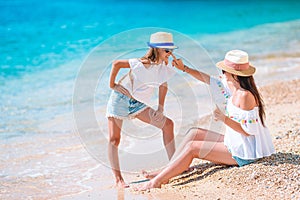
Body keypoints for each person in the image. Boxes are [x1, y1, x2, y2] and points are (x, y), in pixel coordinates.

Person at [136, 49, 275, 190]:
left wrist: (223, 118)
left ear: (234, 74)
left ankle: (156, 182)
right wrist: (184, 68)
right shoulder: (233, 86)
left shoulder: (245, 96)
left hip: (244, 153)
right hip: (236, 142)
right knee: (194, 133)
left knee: (193, 148)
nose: (222, 74)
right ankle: (168, 169)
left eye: (224, 71)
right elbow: (208, 79)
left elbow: (249, 131)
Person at [106, 32, 178, 188]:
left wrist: (160, 107)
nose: (170, 54)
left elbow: (163, 85)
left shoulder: (163, 66)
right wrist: (112, 85)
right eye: (167, 51)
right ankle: (118, 180)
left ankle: (175, 166)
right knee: (114, 139)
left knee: (168, 125)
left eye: (171, 50)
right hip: (120, 99)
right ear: (157, 49)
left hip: (138, 103)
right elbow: (116, 63)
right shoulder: (142, 62)